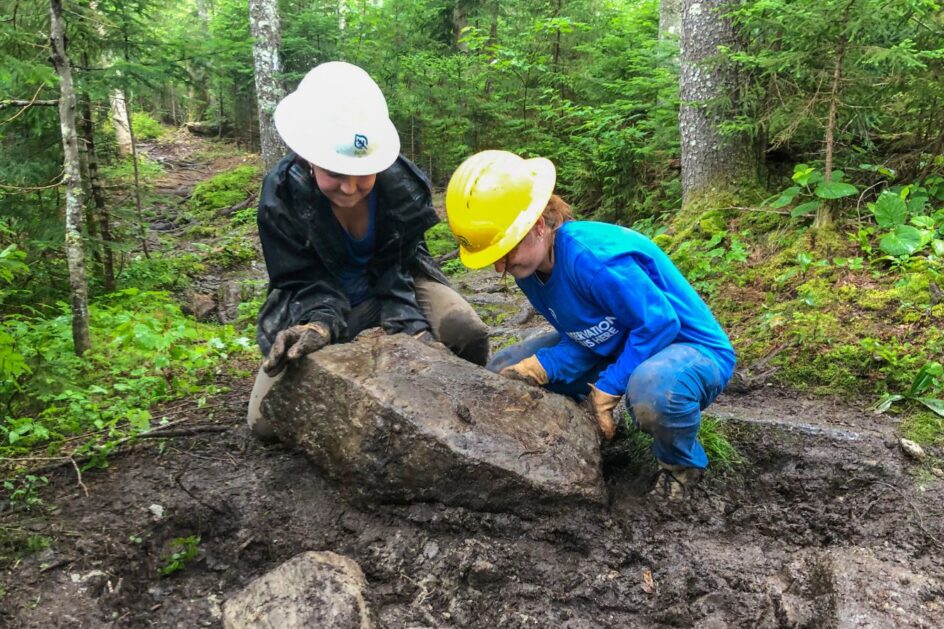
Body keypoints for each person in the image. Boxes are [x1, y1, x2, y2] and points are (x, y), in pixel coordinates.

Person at [446, 150, 735, 499]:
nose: (499, 268)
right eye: (493, 257)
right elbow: (592, 333)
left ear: (538, 224)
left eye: (505, 252)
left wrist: (608, 387)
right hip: (624, 339)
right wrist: (544, 366)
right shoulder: (530, 265)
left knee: (653, 393)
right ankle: (581, 440)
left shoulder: (593, 262)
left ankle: (681, 466)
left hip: (688, 347)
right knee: (505, 370)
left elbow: (658, 324)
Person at [247, 62, 489, 440]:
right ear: (309, 157)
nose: (350, 188)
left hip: (395, 282)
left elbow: (401, 263)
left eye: (363, 174)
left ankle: (468, 410)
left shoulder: (402, 185)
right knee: (262, 424)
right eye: (335, 174)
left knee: (467, 331)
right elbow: (299, 277)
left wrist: (413, 331)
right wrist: (318, 323)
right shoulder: (280, 197)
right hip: (320, 297)